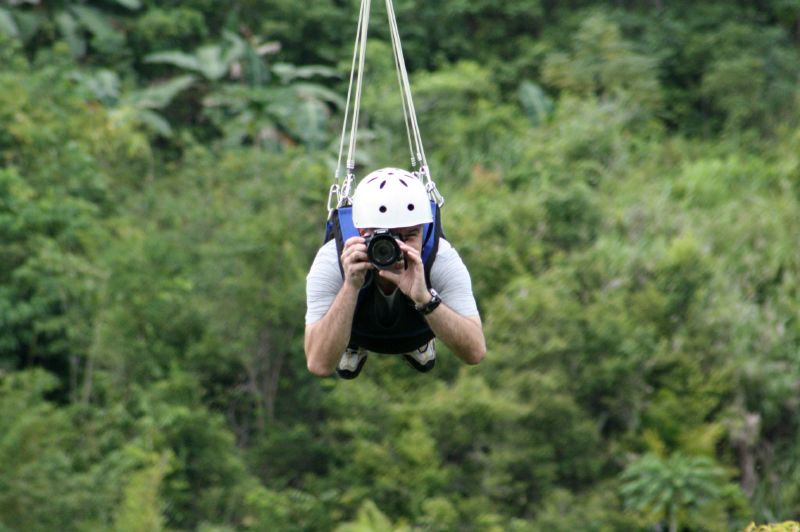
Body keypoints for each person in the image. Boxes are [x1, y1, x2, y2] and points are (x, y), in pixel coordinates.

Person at [304, 167, 486, 378]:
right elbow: (318, 364)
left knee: (433, 301)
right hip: (357, 326)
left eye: (410, 235)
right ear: (363, 231)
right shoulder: (334, 259)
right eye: (388, 237)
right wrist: (351, 286)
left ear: (424, 228)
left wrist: (425, 300)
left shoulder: (439, 258)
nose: (398, 246)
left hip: (417, 326)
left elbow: (476, 352)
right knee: (341, 307)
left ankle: (421, 338)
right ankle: (350, 343)